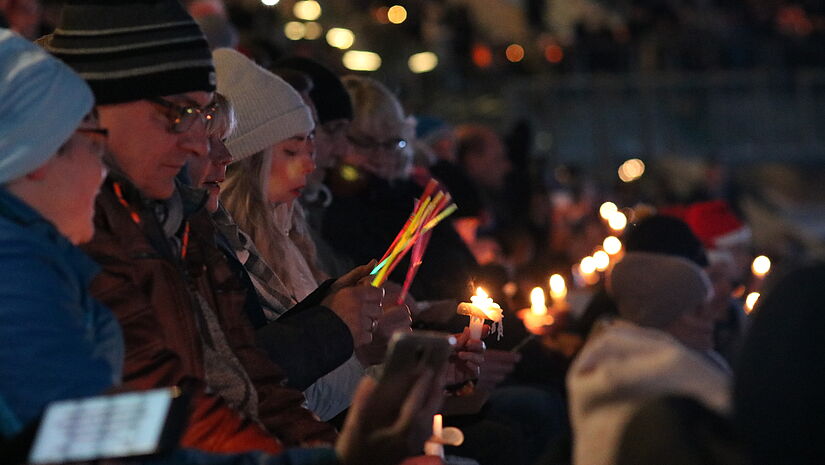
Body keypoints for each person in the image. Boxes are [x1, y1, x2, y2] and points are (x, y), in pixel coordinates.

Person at [41, 0, 334, 453]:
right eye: (177, 113)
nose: (199, 144)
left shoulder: (178, 216)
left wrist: (328, 450)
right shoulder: (77, 226)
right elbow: (157, 404)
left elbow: (251, 378)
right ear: (98, 103)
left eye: (202, 117)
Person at [213, 48, 401, 420]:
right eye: (292, 150)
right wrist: (357, 345)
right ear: (250, 161)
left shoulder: (286, 239)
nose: (312, 164)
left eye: (311, 146)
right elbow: (276, 388)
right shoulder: (228, 256)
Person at [566, 251, 731, 465]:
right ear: (662, 317)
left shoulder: (691, 358)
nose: (711, 317)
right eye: (696, 310)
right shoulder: (643, 375)